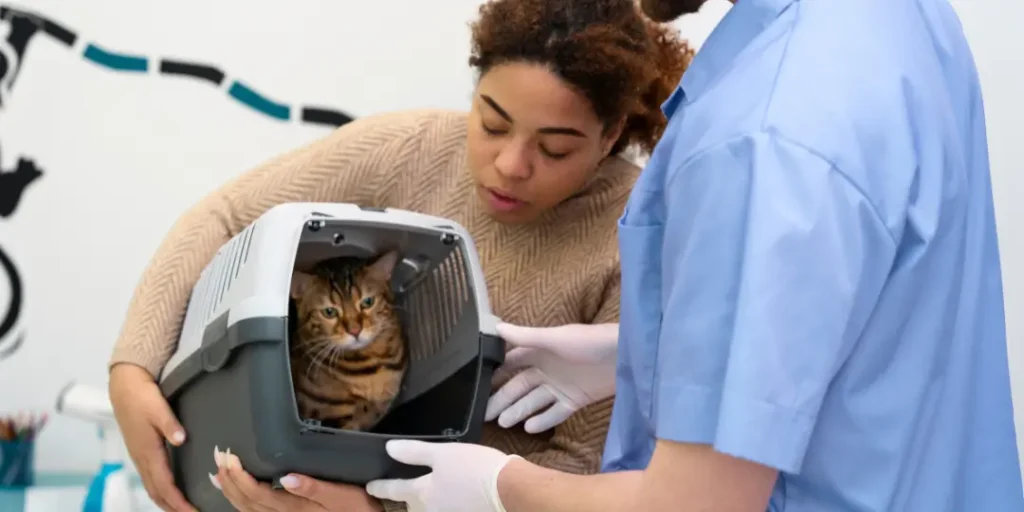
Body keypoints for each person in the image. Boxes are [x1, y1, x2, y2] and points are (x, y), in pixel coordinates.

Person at [362, 0, 1024, 511]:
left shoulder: (763, 140)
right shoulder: (893, 25)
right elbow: (875, 323)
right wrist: (633, 357)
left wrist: (497, 485)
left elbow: (694, 504)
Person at [105, 1, 693, 511]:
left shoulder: (641, 235)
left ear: (612, 134)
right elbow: (226, 217)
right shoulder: (410, 147)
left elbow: (586, 467)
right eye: (491, 123)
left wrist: (379, 511)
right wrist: (131, 369)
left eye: (555, 147)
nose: (511, 165)